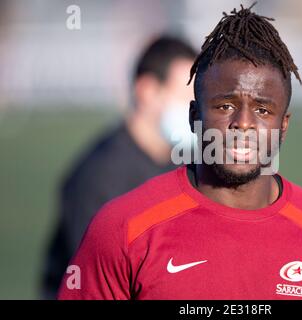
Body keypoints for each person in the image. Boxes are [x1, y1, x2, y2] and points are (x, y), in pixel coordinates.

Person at [58, 5, 302, 300]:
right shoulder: (120, 230)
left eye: (262, 109)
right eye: (225, 106)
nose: (243, 124)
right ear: (194, 116)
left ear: (283, 125)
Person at [41, 36, 197, 299]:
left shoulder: (187, 163)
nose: (195, 110)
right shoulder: (98, 177)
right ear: (147, 91)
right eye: (185, 97)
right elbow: (96, 278)